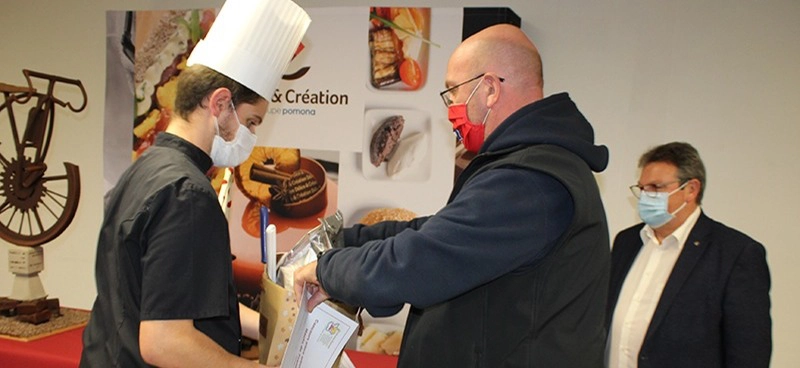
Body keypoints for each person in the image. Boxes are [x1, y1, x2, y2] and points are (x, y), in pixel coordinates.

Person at [295, 23, 611, 367]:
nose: (451, 112)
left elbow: (424, 259)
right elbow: (441, 231)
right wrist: (346, 239)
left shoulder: (532, 180)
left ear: (489, 89)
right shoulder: (527, 169)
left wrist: (329, 271)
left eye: (453, 92)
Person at [80, 1, 309, 367]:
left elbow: (177, 299)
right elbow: (164, 342)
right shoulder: (186, 194)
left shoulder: (146, 168)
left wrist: (279, 320)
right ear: (220, 103)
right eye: (251, 122)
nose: (251, 136)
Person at [606, 142, 772, 368]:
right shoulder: (627, 242)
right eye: (642, 188)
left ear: (691, 190)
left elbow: (749, 353)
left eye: (656, 187)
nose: (645, 197)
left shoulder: (735, 253)